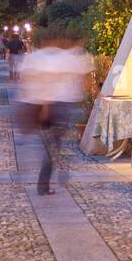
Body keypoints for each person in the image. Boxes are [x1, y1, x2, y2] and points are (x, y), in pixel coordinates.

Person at [17, 29, 94, 194]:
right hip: (57, 106)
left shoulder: (38, 57)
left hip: (45, 105)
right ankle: (48, 180)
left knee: (51, 145)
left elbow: (26, 80)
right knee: (53, 146)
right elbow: (49, 83)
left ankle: (51, 177)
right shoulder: (64, 58)